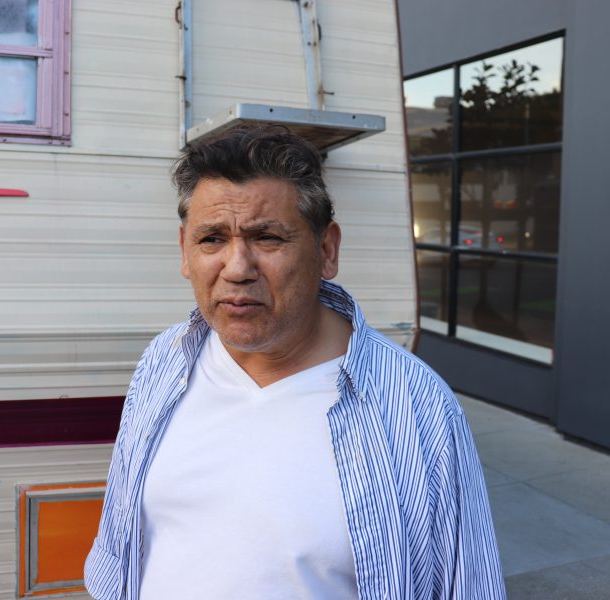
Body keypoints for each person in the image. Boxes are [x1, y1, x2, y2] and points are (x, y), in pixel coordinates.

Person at [85, 127, 505, 599]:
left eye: (267, 238)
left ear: (326, 250)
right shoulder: (163, 362)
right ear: (185, 250)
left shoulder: (418, 406)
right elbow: (118, 544)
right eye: (212, 239)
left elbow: (467, 586)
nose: (237, 267)